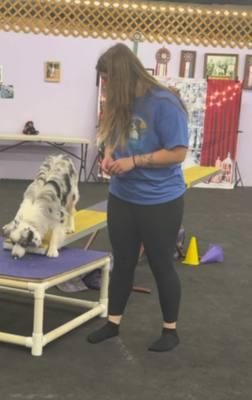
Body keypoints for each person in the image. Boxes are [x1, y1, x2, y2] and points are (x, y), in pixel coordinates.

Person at [87, 43, 189, 352]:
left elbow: (178, 153)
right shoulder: (119, 101)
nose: (105, 86)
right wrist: (108, 155)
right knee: (123, 263)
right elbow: (110, 134)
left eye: (108, 79)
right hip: (123, 197)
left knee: (161, 264)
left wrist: (135, 161)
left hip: (160, 200)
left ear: (123, 76)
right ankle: (113, 322)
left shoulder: (165, 103)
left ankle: (170, 330)